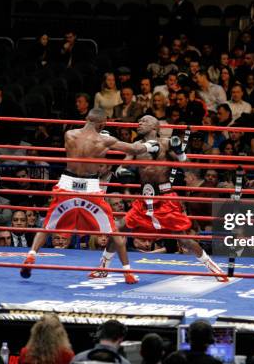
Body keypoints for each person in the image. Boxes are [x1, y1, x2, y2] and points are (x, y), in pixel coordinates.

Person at [20, 108, 159, 284]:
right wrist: (150, 145)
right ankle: (127, 272)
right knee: (113, 230)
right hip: (90, 187)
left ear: (87, 118)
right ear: (103, 124)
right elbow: (133, 149)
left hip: (67, 183)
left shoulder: (69, 134)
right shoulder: (104, 140)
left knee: (48, 225)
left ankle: (31, 255)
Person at [122, 115, 227, 281]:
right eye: (139, 120)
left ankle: (213, 267)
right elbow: (123, 166)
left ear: (155, 127)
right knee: (119, 228)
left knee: (182, 237)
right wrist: (124, 171)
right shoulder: (137, 146)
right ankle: (103, 266)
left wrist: (180, 153)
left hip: (164, 198)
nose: (139, 122)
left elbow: (187, 167)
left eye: (145, 120)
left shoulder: (167, 142)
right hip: (144, 198)